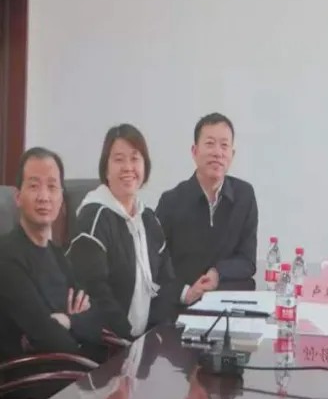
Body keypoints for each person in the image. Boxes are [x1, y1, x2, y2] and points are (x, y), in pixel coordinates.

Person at [68, 124, 193, 340]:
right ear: (106, 169)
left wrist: (154, 335)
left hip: (145, 343)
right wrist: (129, 341)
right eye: (119, 159)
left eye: (135, 159)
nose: (128, 167)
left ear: (145, 166)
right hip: (107, 345)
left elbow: (166, 281)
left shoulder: (148, 219)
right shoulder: (93, 218)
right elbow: (95, 292)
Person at [0, 148, 106, 361]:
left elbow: (95, 319)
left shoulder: (58, 255)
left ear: (61, 199)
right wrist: (81, 340)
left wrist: (66, 321)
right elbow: (45, 335)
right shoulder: (6, 255)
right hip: (33, 376)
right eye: (34, 186)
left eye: (52, 187)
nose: (44, 197)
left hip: (73, 368)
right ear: (18, 197)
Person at [157, 113, 259, 295]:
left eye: (224, 145)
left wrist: (218, 273)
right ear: (194, 152)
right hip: (186, 301)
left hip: (230, 299)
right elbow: (157, 264)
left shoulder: (244, 195)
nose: (218, 153)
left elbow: (248, 261)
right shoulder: (171, 201)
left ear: (232, 154)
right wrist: (184, 293)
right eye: (210, 144)